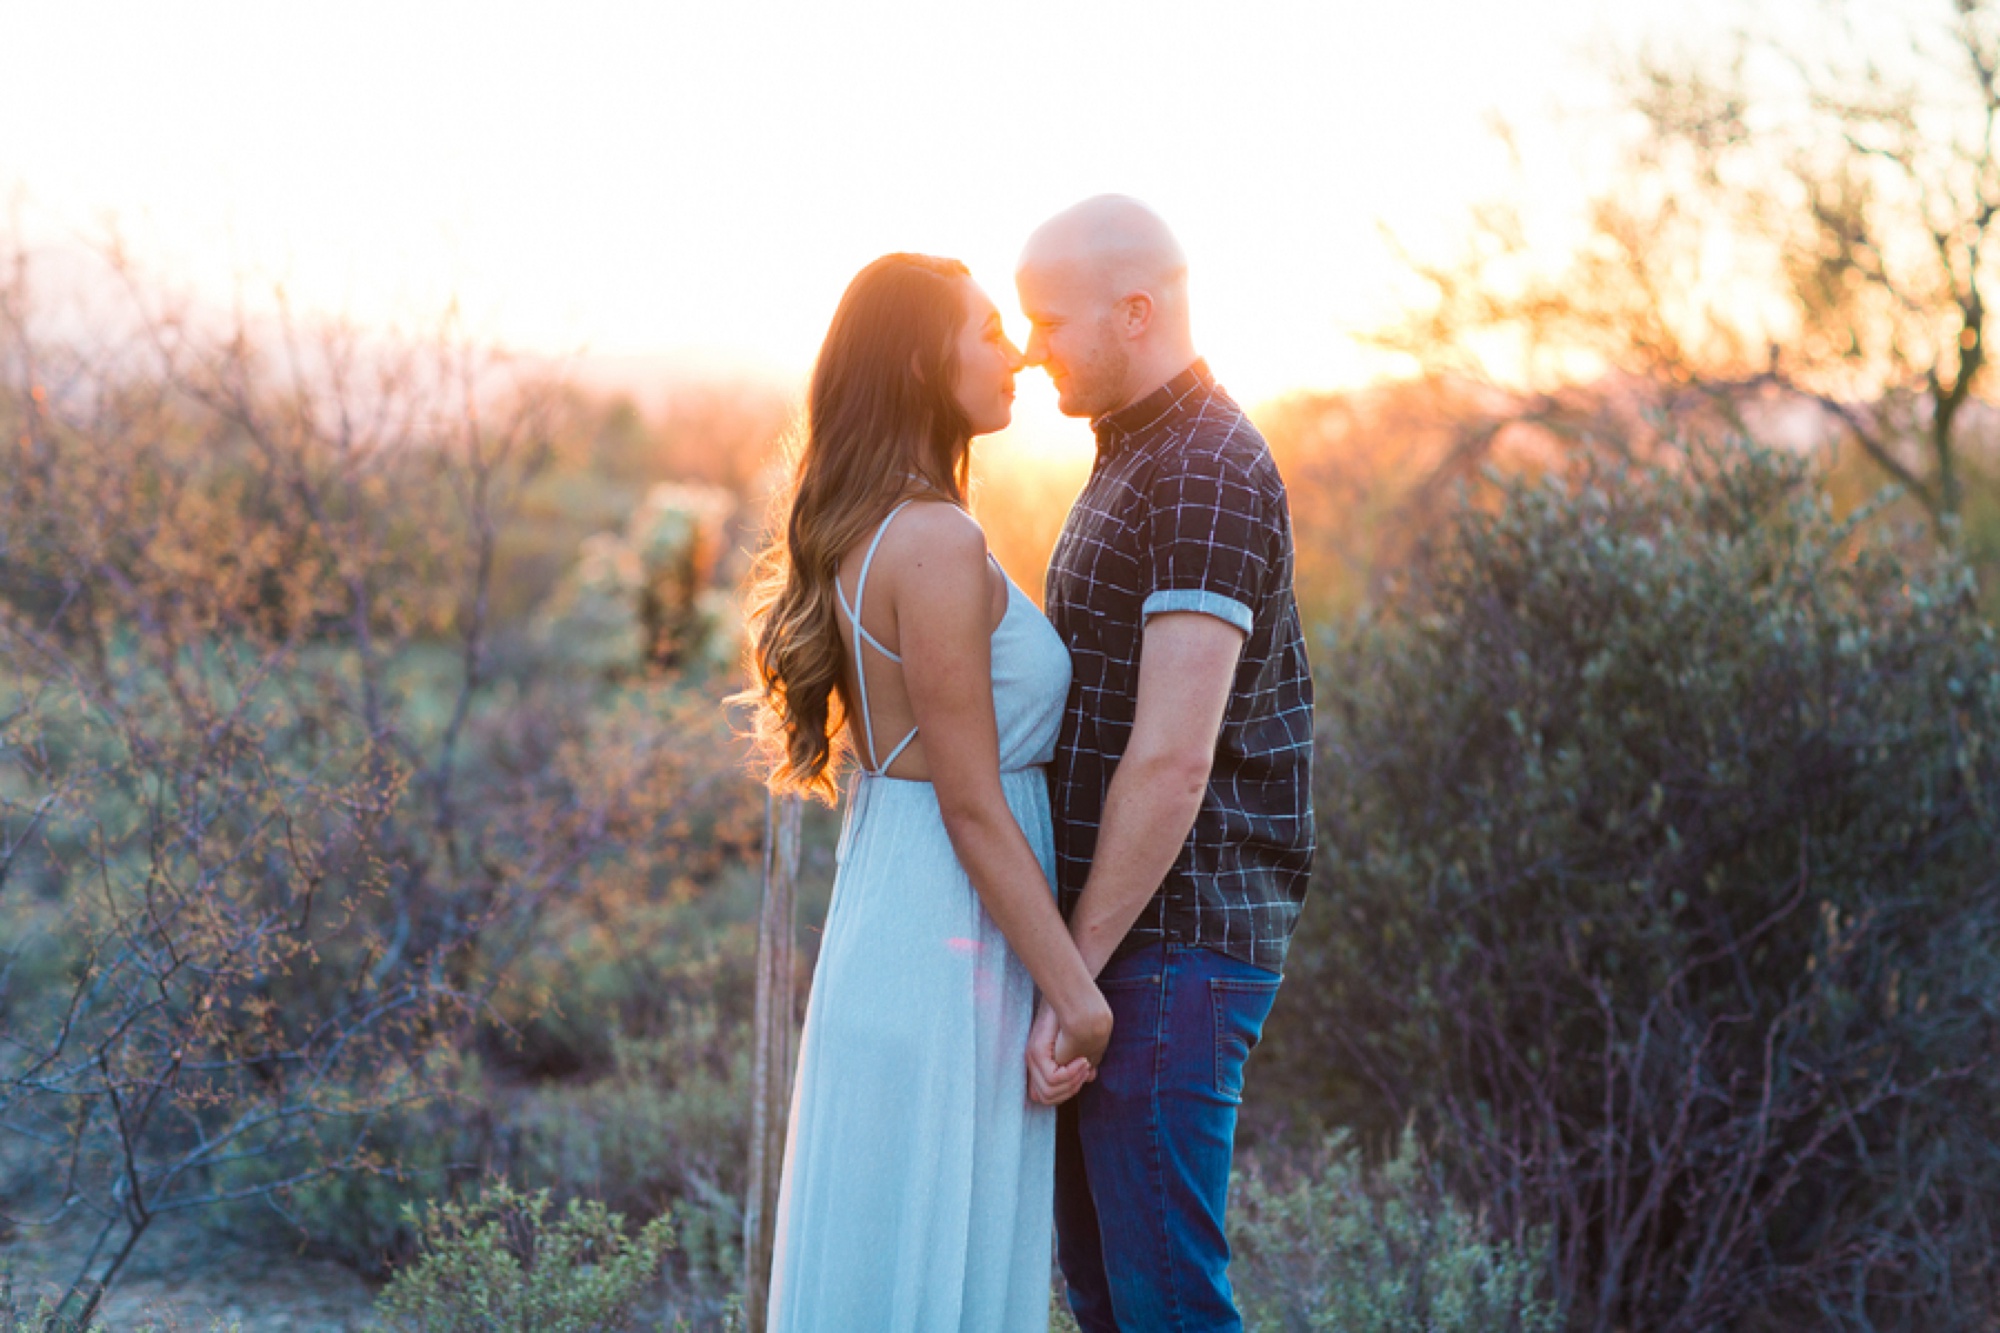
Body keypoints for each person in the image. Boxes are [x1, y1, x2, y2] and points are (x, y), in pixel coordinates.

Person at [743, 251, 1112, 1332]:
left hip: (898, 922)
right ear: (918, 357)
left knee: (892, 1262)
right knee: (928, 1270)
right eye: (989, 331)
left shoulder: (872, 529)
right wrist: (1076, 996)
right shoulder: (938, 541)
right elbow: (970, 804)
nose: (1019, 354)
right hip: (949, 941)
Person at [1017, 196, 1316, 1331]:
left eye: (1048, 319)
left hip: (1169, 947)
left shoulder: (1201, 467)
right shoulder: (1137, 454)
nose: (1030, 343)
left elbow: (1172, 760)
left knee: (1166, 1307)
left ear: (1133, 311)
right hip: (1126, 952)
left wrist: (1073, 979)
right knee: (1109, 1296)